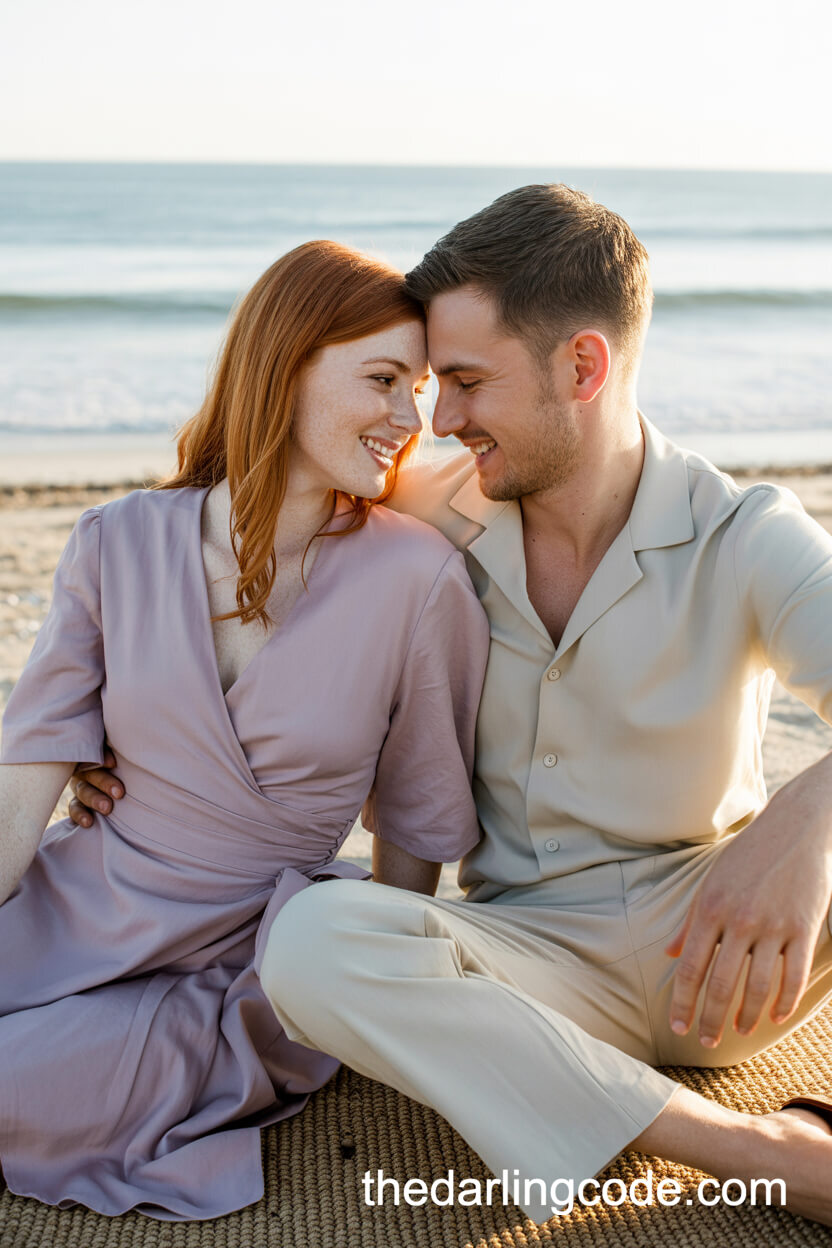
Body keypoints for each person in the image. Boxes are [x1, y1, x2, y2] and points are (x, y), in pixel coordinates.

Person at [68, 189, 832, 1225]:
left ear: (583, 367)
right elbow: (238, 536)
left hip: (723, 957)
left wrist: (804, 819)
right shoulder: (420, 515)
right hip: (523, 963)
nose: (440, 420)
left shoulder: (745, 532)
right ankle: (755, 1150)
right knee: (311, 939)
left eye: (467, 382)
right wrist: (117, 732)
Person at [0, 240, 490, 1219]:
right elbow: (24, 792)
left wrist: (364, 999)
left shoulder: (417, 579)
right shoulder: (115, 541)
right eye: (384, 380)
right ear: (286, 362)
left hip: (244, 963)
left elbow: (418, 827)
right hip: (79, 903)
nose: (412, 418)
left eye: (421, 388)